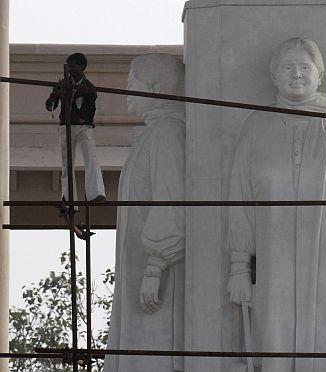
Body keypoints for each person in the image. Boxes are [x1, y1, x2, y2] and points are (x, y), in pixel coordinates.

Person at [227, 37, 326, 372]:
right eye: (287, 67)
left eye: (304, 67)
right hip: (273, 248)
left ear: (319, 75)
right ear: (274, 76)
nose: (296, 74)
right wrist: (239, 264)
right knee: (274, 330)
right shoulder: (257, 124)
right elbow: (240, 197)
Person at [104, 54, 186, 372]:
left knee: (155, 351)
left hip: (159, 276)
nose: (126, 91)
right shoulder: (156, 133)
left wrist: (155, 265)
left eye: (131, 84)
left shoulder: (168, 134)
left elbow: (173, 199)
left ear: (153, 87)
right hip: (144, 270)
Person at [45, 52, 106, 203]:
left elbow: (91, 110)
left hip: (84, 127)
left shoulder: (90, 87)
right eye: (68, 66)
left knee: (91, 157)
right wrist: (56, 96)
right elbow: (49, 106)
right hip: (66, 126)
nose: (70, 70)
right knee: (67, 164)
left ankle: (96, 194)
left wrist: (81, 95)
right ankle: (68, 199)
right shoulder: (61, 84)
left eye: (73, 66)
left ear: (82, 67)